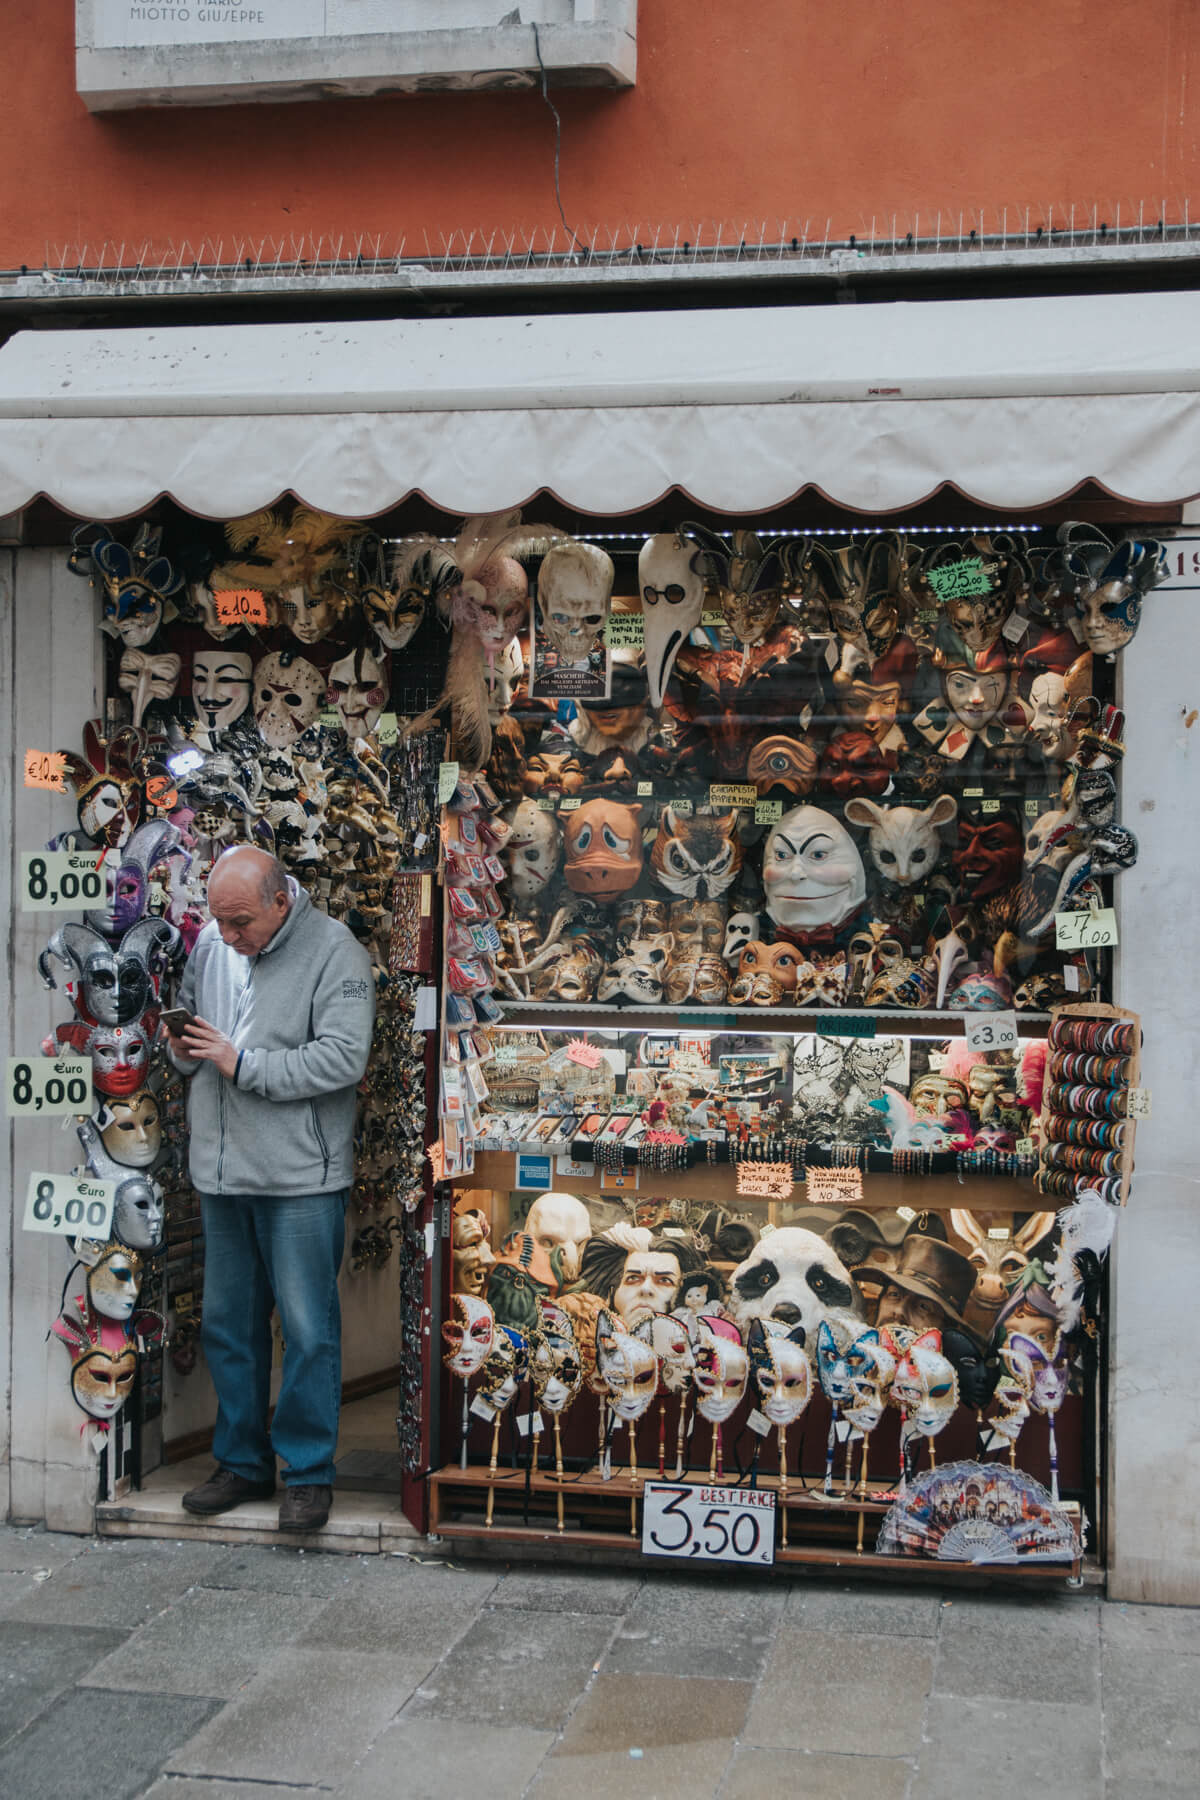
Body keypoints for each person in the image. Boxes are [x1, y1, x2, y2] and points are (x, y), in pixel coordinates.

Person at [166, 845, 375, 1533]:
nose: (227, 936)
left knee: (308, 1329)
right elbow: (195, 1032)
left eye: (241, 922)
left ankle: (308, 1473)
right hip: (222, 1171)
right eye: (218, 921)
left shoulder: (335, 950)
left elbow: (343, 1058)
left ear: (281, 900)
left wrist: (242, 1063)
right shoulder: (211, 946)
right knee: (229, 1323)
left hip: (298, 1177)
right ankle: (240, 1461)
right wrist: (184, 1045)